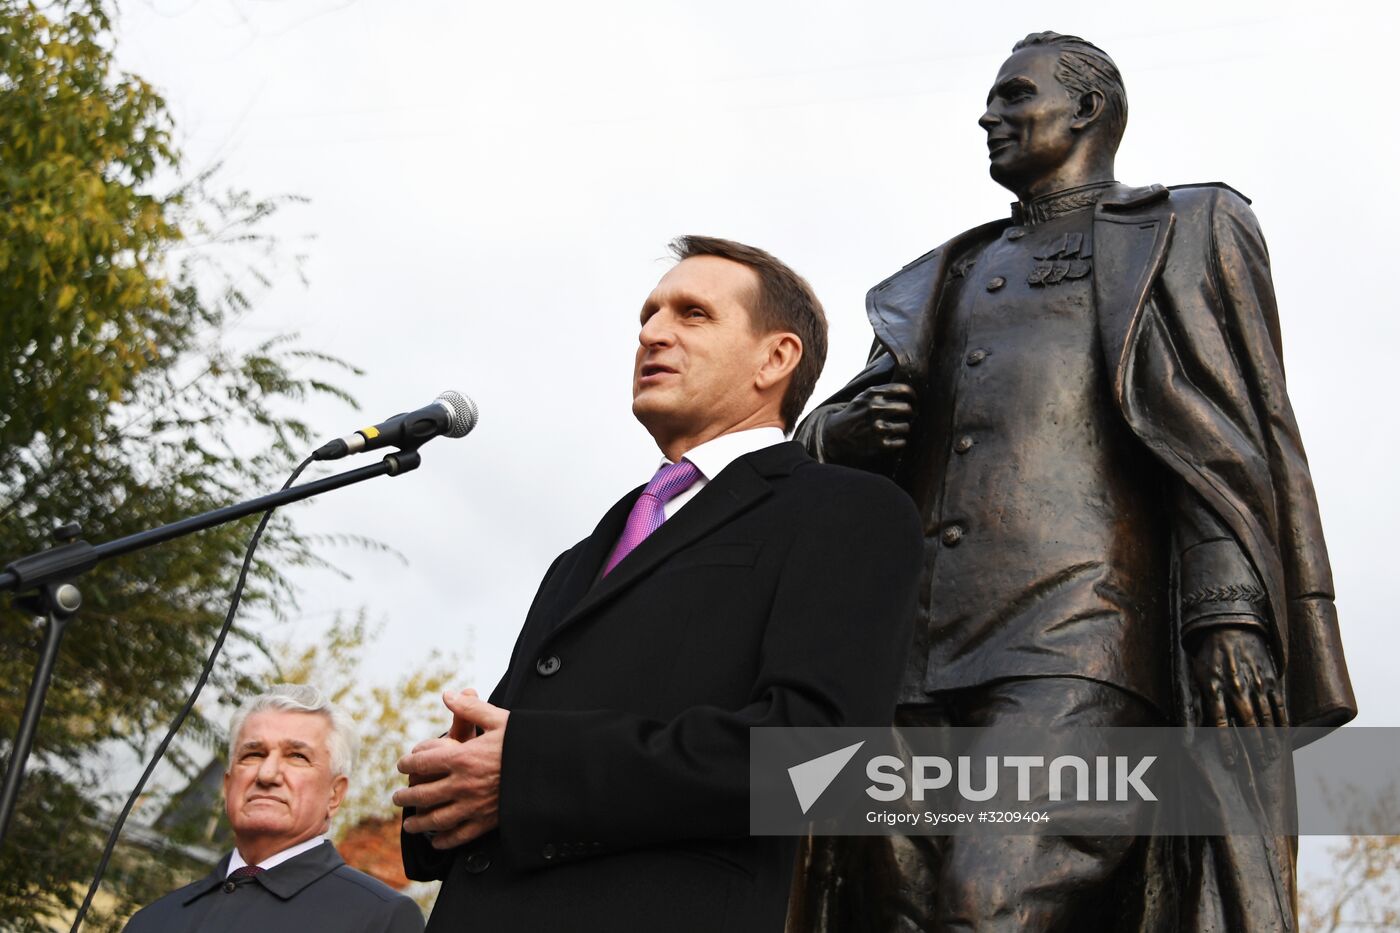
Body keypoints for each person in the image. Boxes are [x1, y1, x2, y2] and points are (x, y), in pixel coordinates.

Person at [791, 32, 1357, 932]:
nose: (990, 116)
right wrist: (838, 434)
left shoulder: (1183, 227)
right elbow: (817, 437)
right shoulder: (940, 275)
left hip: (1075, 642)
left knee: (989, 901)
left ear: (1088, 110)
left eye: (1015, 97)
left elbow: (1226, 434)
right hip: (909, 657)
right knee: (888, 910)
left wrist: (1229, 610)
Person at [395, 236, 923, 932]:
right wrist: (448, 787)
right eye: (647, 315)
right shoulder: (584, 553)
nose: (651, 333)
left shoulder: (846, 510)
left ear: (776, 357)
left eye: (692, 313)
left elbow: (820, 761)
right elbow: (509, 763)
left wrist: (530, 770)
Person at [125, 684, 424, 932]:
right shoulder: (152, 921)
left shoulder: (379, 919)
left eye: (297, 757)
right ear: (228, 785)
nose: (267, 774)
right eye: (253, 754)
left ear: (335, 793)